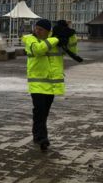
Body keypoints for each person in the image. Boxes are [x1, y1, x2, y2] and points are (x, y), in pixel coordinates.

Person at [21, 19, 75, 151]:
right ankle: (42, 138)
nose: (37, 31)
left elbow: (73, 49)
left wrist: (70, 34)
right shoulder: (30, 40)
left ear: (48, 31)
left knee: (43, 112)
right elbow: (39, 50)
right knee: (39, 110)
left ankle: (37, 134)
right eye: (36, 28)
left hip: (51, 86)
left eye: (41, 29)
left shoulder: (54, 40)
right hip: (37, 85)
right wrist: (56, 39)